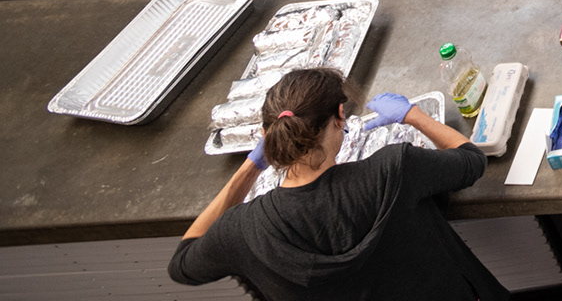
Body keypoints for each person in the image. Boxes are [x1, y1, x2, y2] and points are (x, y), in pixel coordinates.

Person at [168, 68, 508, 300]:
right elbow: (471, 160)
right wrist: (412, 115)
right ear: (339, 118)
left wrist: (248, 170)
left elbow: (182, 264)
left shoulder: (242, 231)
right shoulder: (395, 169)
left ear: (266, 137)